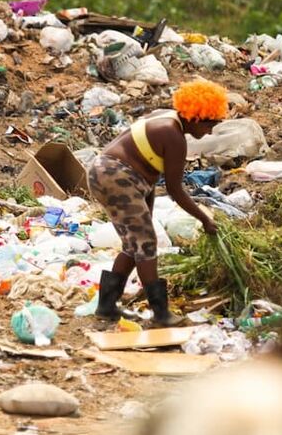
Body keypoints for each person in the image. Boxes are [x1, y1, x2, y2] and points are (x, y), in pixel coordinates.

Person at [88, 78, 228, 327]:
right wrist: (204, 219)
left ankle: (106, 307)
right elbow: (175, 189)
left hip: (112, 174)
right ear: (197, 117)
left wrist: (147, 214)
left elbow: (149, 171)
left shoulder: (167, 121)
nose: (210, 132)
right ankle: (161, 313)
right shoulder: (173, 135)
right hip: (115, 175)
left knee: (135, 245)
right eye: (210, 124)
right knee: (145, 244)